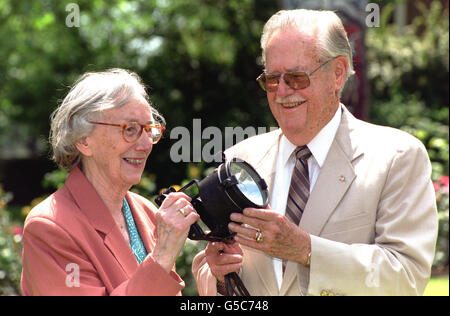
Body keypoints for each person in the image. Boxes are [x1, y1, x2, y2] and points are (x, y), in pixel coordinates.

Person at [192, 9, 438, 296]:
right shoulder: (240, 159)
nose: (282, 91)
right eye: (272, 79)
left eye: (296, 77)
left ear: (337, 73)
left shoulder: (397, 157)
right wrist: (220, 276)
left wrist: (306, 250)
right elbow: (207, 270)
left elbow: (406, 278)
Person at [21, 69, 199, 295]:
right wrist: (161, 257)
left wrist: (218, 277)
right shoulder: (49, 227)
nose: (145, 144)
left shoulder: (147, 211)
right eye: (130, 129)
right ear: (84, 140)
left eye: (149, 130)